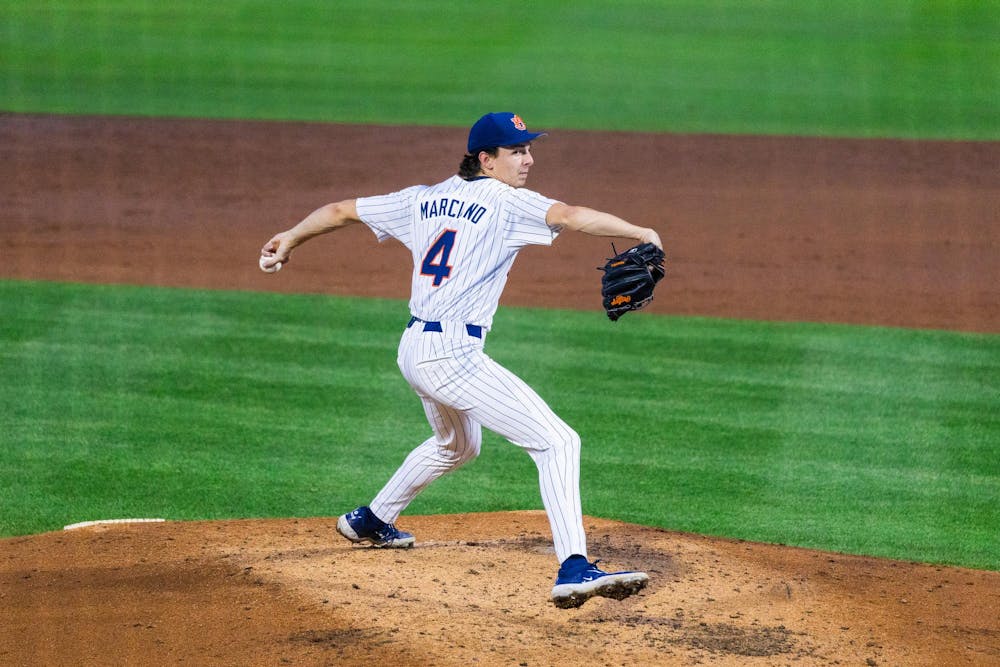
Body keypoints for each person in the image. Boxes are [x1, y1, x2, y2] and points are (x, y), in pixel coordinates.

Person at [260, 112, 661, 608]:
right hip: (452, 355)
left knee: (456, 446)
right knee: (558, 441)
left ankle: (371, 518)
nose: (529, 159)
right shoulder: (507, 203)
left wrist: (290, 238)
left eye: (529, 149)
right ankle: (574, 567)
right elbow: (571, 216)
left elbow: (342, 210)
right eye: (517, 151)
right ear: (486, 160)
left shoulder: (422, 198)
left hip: (414, 349)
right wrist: (643, 232)